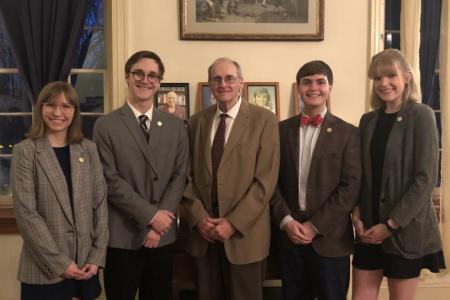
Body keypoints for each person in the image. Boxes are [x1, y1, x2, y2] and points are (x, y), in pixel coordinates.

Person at [93, 50, 189, 300]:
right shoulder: (105, 125)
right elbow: (109, 180)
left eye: (152, 75)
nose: (145, 80)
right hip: (123, 236)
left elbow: (179, 176)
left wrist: (160, 223)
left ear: (159, 82)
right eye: (139, 73)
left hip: (163, 237)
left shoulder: (176, 126)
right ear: (127, 76)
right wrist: (151, 216)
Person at [351, 49, 446, 300]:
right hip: (368, 230)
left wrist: (390, 225)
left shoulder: (421, 115)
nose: (384, 83)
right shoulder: (368, 120)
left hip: (404, 230)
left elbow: (425, 179)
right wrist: (357, 213)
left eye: (391, 75)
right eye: (377, 78)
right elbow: (361, 173)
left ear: (407, 76)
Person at [182, 57, 280, 300]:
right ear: (210, 85)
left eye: (229, 78)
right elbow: (186, 176)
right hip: (203, 236)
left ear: (241, 83)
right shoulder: (196, 122)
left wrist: (233, 223)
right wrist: (199, 217)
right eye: (217, 79)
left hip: (244, 236)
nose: (223, 84)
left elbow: (265, 182)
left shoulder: (264, 120)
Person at [271, 60, 361, 300]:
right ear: (298, 87)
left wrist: (315, 226)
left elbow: (350, 187)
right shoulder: (279, 131)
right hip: (289, 238)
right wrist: (287, 221)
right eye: (307, 82)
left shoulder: (349, 133)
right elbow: (271, 182)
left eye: (320, 82)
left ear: (330, 87)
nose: (314, 88)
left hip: (330, 240)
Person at [11, 81, 108, 300]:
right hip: (44, 272)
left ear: (75, 111)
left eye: (66, 106)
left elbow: (100, 204)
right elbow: (27, 215)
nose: (58, 113)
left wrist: (97, 256)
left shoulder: (88, 149)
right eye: (50, 105)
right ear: (40, 108)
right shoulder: (25, 152)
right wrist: (60, 263)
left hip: (86, 267)